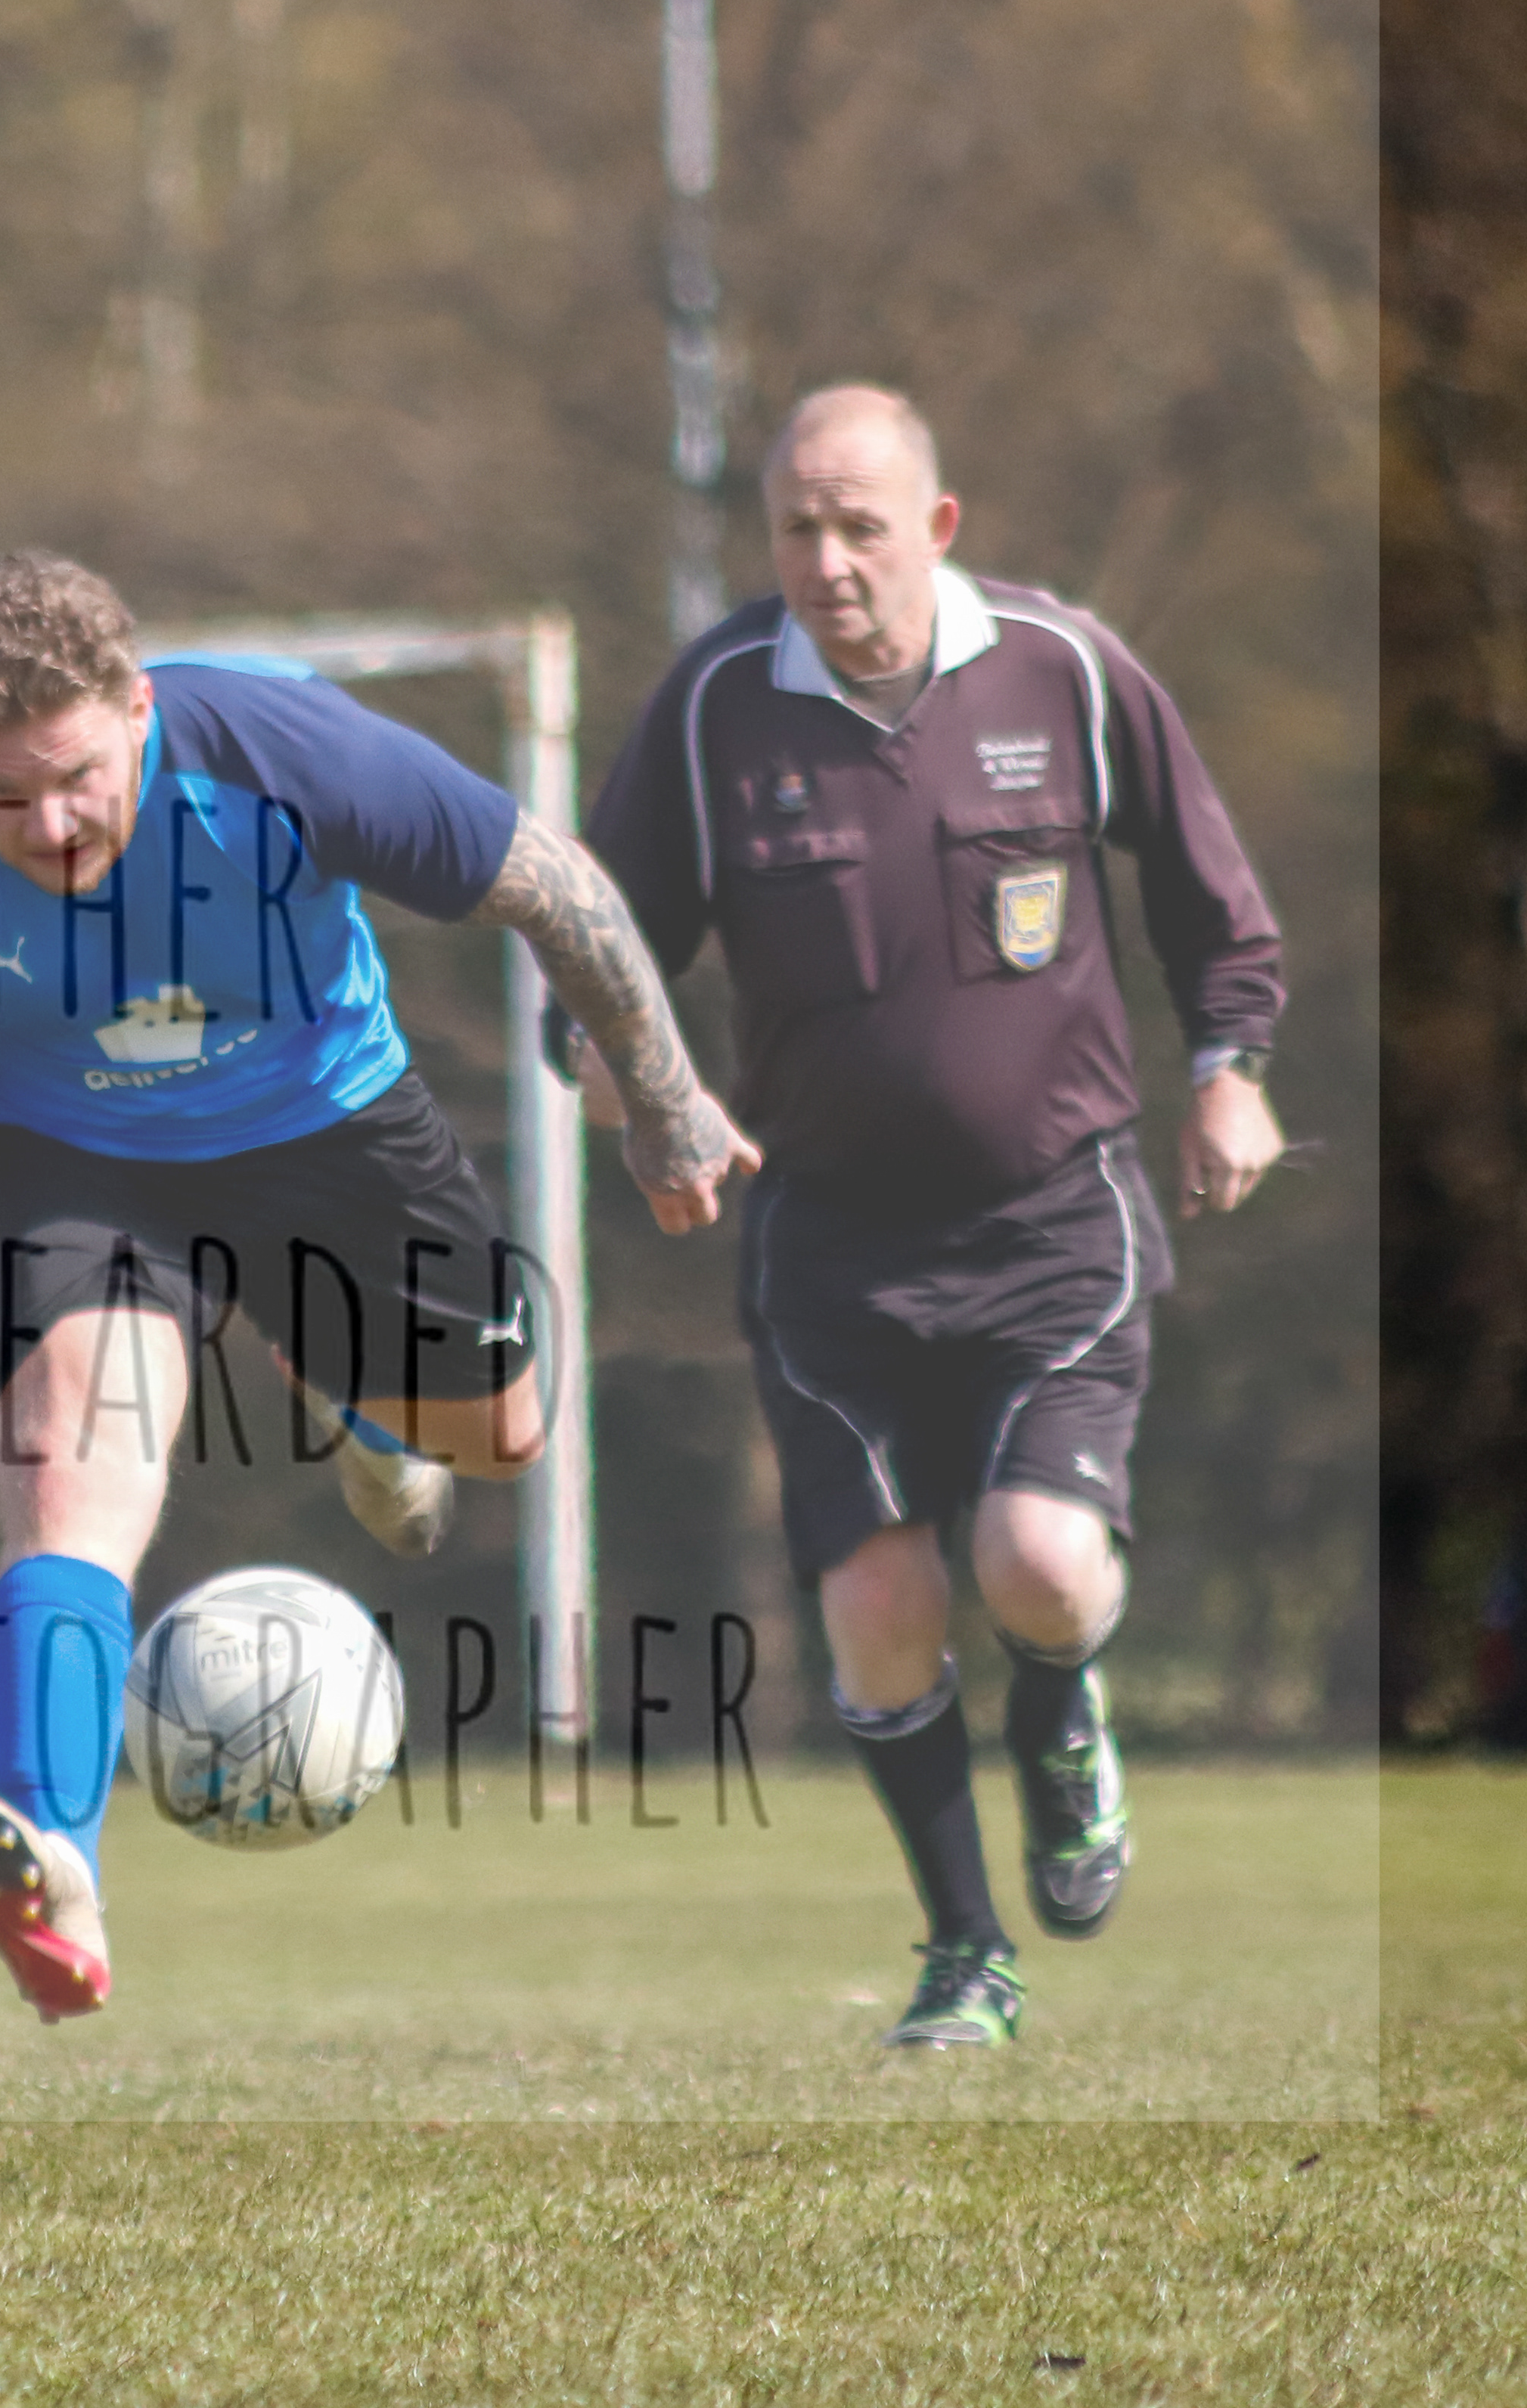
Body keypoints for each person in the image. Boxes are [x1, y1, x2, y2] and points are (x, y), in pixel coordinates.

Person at [0, 551, 745, 2023]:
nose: (46, 825)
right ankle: (53, 1855)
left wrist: (666, 1097)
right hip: (75, 1162)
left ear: (138, 709)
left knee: (502, 1440)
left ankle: (351, 1395)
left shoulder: (286, 752)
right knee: (66, 1479)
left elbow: (556, 887)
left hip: (329, 1132)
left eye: (75, 777)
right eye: (1, 796)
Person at [560, 386, 1286, 2052]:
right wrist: (641, 1094)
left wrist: (1229, 1073)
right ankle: (968, 1955)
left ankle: (1064, 1713)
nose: (827, 562)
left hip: (1056, 1221)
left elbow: (1213, 905)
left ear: (938, 527)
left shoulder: (1065, 669)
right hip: (829, 1242)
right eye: (797, 529)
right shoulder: (716, 708)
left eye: (860, 526)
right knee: (881, 1614)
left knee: (1038, 1566)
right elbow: (597, 952)